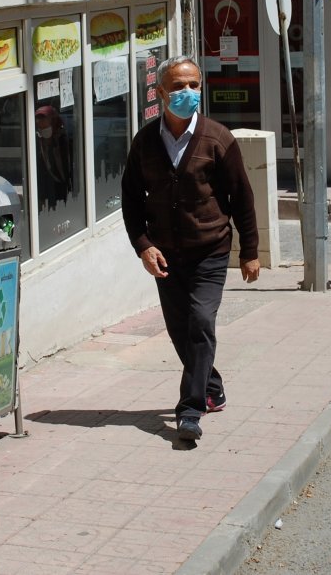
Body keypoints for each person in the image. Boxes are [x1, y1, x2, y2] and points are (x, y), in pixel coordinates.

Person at [121, 56, 260, 442]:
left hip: (210, 250)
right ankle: (212, 386)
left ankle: (190, 410)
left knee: (200, 323)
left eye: (194, 85)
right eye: (179, 86)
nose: (188, 93)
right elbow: (131, 199)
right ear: (160, 92)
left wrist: (250, 251)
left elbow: (242, 198)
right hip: (165, 255)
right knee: (180, 331)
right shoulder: (145, 142)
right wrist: (143, 246)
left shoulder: (218, 139)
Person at [34, 104, 73, 210]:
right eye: (40, 126)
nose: (42, 128)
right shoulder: (37, 143)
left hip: (63, 188)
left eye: (45, 125)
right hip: (45, 189)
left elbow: (69, 168)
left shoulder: (64, 141)